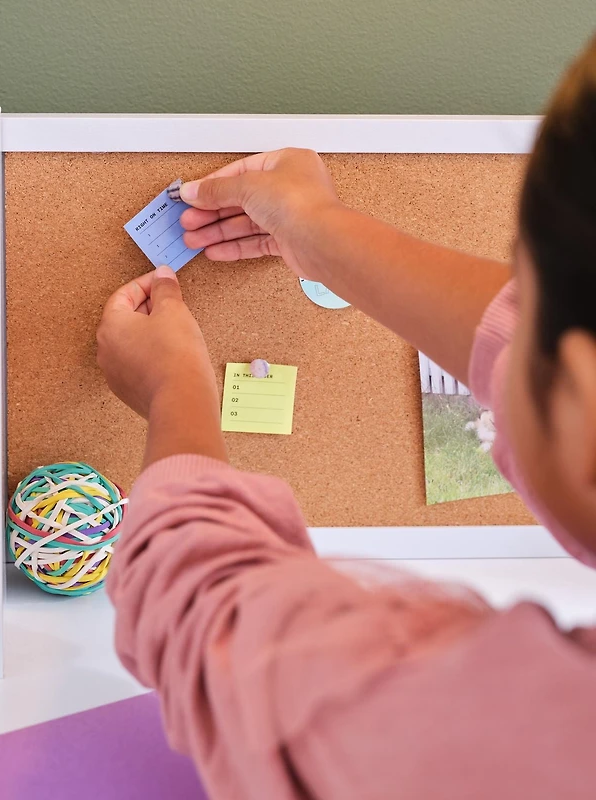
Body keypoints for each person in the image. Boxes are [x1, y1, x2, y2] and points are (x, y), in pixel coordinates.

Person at [97, 36, 596, 800]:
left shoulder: (525, 729)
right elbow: (521, 342)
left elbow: (213, 629)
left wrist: (175, 393)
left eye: (517, 286)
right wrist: (317, 230)